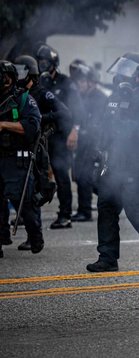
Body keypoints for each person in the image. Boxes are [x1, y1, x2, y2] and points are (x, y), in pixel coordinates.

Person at [86, 52, 139, 272]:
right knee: (106, 207)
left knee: (136, 211)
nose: (120, 75)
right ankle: (107, 258)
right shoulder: (114, 96)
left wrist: (124, 124)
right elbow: (104, 126)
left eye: (127, 70)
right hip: (112, 162)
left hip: (135, 163)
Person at [5, 55, 69, 251]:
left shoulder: (41, 94)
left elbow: (64, 113)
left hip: (36, 147)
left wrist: (42, 117)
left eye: (23, 71)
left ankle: (35, 235)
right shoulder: (13, 94)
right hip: (15, 148)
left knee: (32, 189)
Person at [35, 44, 84, 229]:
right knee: (36, 176)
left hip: (61, 137)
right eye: (40, 61)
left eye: (46, 61)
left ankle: (65, 215)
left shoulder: (66, 83)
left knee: (62, 176)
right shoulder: (39, 82)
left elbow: (78, 110)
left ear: (54, 63)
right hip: (42, 137)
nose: (42, 64)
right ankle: (31, 214)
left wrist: (75, 130)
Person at [0, 61, 44, 259]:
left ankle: (35, 235)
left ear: (10, 78)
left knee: (23, 203)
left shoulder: (24, 98)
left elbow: (33, 126)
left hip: (15, 160)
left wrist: (4, 125)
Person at [71, 63, 107, 222]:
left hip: (93, 142)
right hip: (84, 141)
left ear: (91, 82)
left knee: (85, 176)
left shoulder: (99, 98)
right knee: (79, 175)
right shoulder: (83, 97)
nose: (79, 84)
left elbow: (97, 123)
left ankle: (85, 211)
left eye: (82, 81)